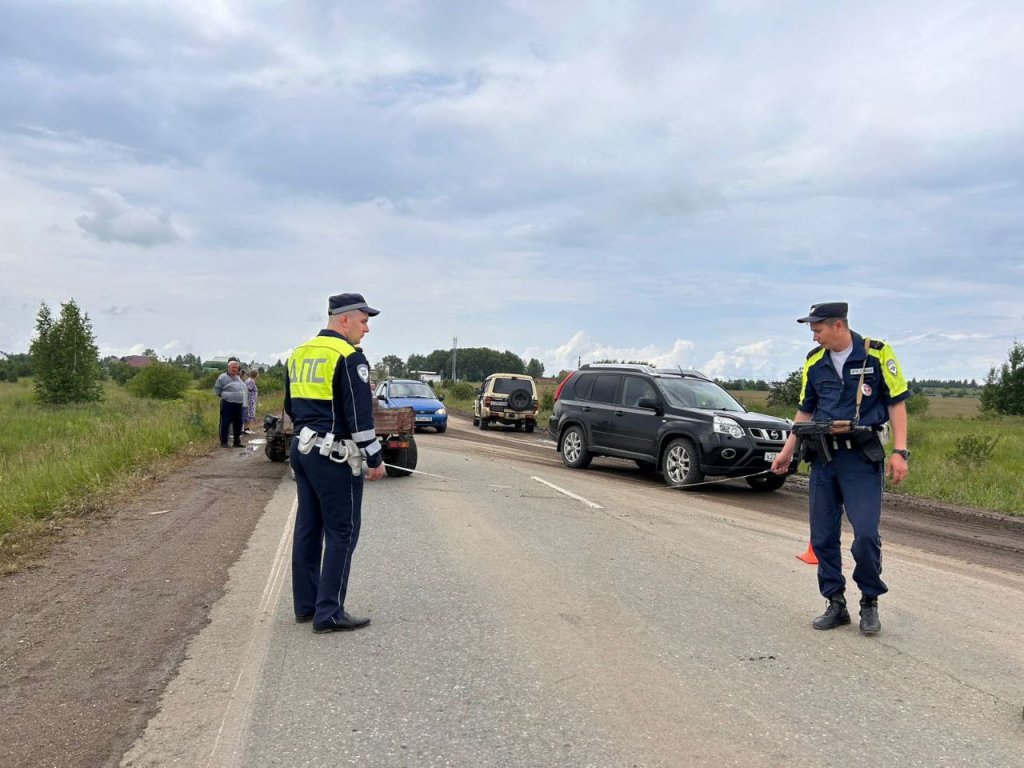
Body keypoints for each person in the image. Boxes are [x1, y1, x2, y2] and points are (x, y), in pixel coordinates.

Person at [770, 302, 910, 635]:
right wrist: (786, 452)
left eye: (818, 330)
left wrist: (900, 451)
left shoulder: (876, 353)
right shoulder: (814, 362)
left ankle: (869, 601)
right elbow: (805, 411)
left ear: (838, 325)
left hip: (861, 459)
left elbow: (896, 402)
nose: (814, 337)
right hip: (823, 458)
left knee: (864, 534)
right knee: (822, 536)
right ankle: (835, 602)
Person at [285, 292, 386, 633]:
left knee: (308, 528)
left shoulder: (298, 354)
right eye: (363, 320)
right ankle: (329, 613)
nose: (366, 329)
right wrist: (374, 457)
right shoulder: (349, 356)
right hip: (334, 456)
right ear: (345, 319)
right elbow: (358, 417)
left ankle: (306, 606)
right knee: (343, 531)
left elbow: (290, 405)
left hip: (302, 449)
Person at [213, 359, 247, 448]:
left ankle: (236, 442)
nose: (235, 369)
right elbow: (217, 390)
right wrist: (225, 396)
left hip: (238, 404)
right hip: (227, 403)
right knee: (225, 422)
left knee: (238, 423)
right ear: (228, 368)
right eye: (233, 367)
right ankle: (224, 442)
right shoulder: (222, 377)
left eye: (236, 368)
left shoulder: (238, 377)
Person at [243, 368, 259, 434]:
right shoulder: (251, 381)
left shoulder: (248, 380)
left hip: (248, 400)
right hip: (250, 401)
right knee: (251, 414)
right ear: (256, 375)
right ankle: (249, 429)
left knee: (248, 414)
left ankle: (246, 428)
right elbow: (248, 389)